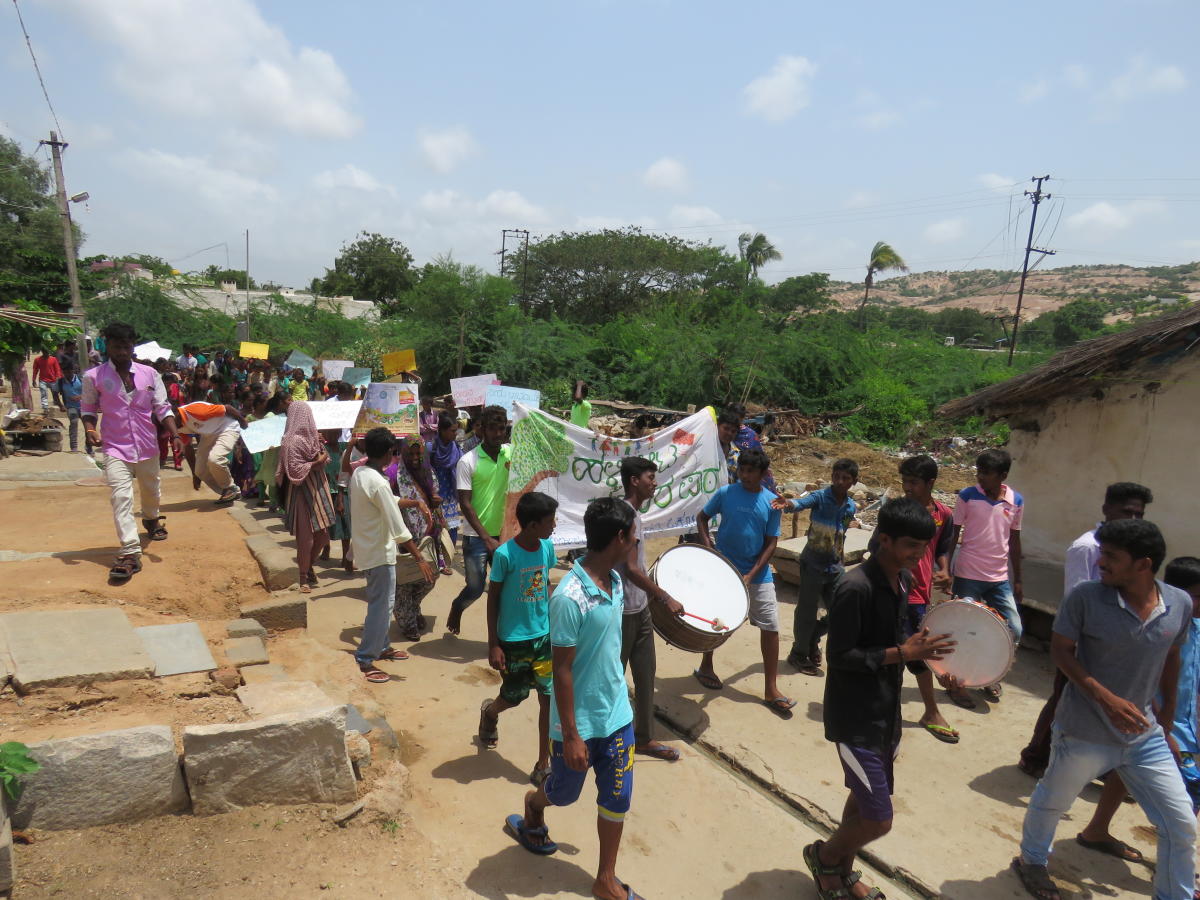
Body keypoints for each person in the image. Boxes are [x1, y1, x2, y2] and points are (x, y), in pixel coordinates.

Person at [1013, 519, 1196, 900]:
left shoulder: (1178, 603)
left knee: (1180, 824)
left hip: (1144, 736)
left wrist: (1165, 725)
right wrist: (1103, 696)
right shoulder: (1085, 598)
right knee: (1053, 803)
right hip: (1083, 730)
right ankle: (1032, 861)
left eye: (1111, 556)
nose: (1100, 562)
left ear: (1143, 565)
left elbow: (1172, 657)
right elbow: (1061, 651)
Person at [805, 497, 955, 900]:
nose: (919, 554)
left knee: (861, 798)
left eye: (925, 546)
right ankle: (824, 857)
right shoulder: (854, 587)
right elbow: (839, 656)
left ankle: (843, 874)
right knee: (878, 819)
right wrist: (904, 653)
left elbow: (900, 641)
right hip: (855, 720)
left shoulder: (902, 581)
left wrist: (935, 663)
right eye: (911, 546)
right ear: (884, 540)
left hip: (885, 713)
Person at [503, 498, 641, 900]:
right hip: (576, 726)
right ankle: (534, 804)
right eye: (632, 534)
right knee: (564, 794)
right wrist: (573, 735)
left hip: (616, 716)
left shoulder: (615, 583)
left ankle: (606, 878)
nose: (635, 540)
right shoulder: (569, 596)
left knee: (618, 796)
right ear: (619, 537)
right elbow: (561, 670)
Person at [1016, 482, 1155, 865]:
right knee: (1064, 700)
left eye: (1138, 515)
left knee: (1096, 708)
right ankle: (1034, 756)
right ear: (1107, 508)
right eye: (1126, 511)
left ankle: (1094, 765)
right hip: (1083, 640)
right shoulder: (1087, 548)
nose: (1131, 518)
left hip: (1113, 643)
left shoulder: (1134, 552)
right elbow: (1081, 596)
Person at [694, 448, 795, 716]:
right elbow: (702, 518)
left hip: (759, 575)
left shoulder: (772, 502)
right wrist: (709, 548)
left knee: (771, 627)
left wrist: (751, 574)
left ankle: (771, 688)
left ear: (763, 474)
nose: (745, 475)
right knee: (718, 622)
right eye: (743, 469)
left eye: (751, 471)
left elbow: (771, 542)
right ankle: (706, 665)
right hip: (725, 570)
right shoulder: (726, 493)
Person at [81, 321, 182, 582]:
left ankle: (150, 519)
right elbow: (88, 409)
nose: (122, 351)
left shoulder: (150, 374)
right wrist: (90, 430)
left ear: (132, 346)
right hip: (114, 446)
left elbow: (162, 407)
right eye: (117, 346)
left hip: (147, 445)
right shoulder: (94, 377)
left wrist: (175, 434)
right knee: (120, 496)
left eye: (126, 346)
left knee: (152, 489)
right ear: (108, 347)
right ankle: (129, 551)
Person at [869, 455, 959, 744]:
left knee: (917, 652)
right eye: (904, 481)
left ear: (930, 483)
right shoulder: (898, 514)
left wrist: (944, 571)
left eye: (913, 482)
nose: (907, 487)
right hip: (892, 590)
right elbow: (875, 547)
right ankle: (889, 708)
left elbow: (944, 548)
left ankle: (930, 711)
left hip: (920, 595)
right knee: (889, 651)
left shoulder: (943, 515)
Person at [479, 492, 560, 785]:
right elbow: (494, 598)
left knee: (548, 700)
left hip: (543, 638)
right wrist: (494, 644)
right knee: (514, 697)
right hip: (514, 640)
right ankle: (490, 711)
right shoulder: (504, 555)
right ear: (533, 525)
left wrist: (555, 620)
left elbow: (545, 585)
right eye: (550, 521)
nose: (555, 525)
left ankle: (543, 763)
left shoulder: (547, 548)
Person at [350, 427, 435, 683]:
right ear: (389, 452)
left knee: (380, 601)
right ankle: (365, 658)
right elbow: (398, 527)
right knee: (381, 606)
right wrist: (419, 558)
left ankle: (383, 645)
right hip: (379, 552)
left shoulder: (362, 473)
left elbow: (387, 500)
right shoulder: (377, 480)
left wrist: (415, 502)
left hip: (369, 548)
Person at [617, 457, 684, 760]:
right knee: (615, 678)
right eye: (650, 477)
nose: (655, 482)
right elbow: (631, 569)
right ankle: (607, 738)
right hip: (622, 612)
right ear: (634, 481)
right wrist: (664, 596)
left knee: (646, 676)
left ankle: (643, 738)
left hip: (639, 608)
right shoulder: (627, 516)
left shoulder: (635, 515)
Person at [949, 448, 1024, 702]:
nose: (980, 477)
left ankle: (991, 677)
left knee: (1013, 628)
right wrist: (946, 568)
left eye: (987, 473)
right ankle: (958, 680)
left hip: (998, 579)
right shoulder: (968, 496)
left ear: (1002, 475)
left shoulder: (1016, 501)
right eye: (979, 471)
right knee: (964, 631)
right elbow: (953, 533)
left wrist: (1019, 579)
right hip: (968, 574)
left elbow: (1014, 540)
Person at [775, 458, 859, 677]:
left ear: (853, 482)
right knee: (806, 611)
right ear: (831, 477)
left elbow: (841, 536)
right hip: (812, 563)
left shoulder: (850, 506)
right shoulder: (821, 496)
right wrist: (788, 503)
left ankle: (813, 637)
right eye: (836, 477)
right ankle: (799, 653)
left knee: (842, 611)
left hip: (835, 567)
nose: (840, 481)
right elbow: (800, 504)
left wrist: (840, 561)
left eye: (845, 478)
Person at [446, 405, 511, 635]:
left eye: (501, 429)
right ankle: (457, 606)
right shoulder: (468, 461)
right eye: (492, 429)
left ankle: (503, 637)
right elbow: (465, 503)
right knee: (475, 587)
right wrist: (486, 538)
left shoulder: (511, 455)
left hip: (505, 537)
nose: (497, 434)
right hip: (476, 537)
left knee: (507, 589)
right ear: (482, 429)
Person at [276, 401, 335, 593]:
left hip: (317, 489)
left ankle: (308, 565)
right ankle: (303, 578)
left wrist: (321, 451)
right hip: (301, 491)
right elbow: (294, 470)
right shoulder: (290, 441)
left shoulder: (312, 437)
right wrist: (318, 461)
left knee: (324, 535)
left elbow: (326, 458)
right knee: (306, 537)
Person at [387, 437, 442, 641]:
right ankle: (407, 622)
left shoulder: (429, 471)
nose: (416, 457)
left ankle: (413, 608)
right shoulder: (393, 474)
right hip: (401, 534)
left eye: (419, 453)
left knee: (428, 577)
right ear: (403, 453)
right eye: (411, 453)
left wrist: (436, 502)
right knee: (403, 581)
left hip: (426, 535)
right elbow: (388, 502)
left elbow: (434, 495)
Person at [1161, 557, 1200, 816]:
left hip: (1188, 732)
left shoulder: (1197, 628)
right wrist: (1166, 731)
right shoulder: (1163, 631)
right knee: (1187, 800)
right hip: (1163, 729)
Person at [176, 400, 247, 505]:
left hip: (228, 427)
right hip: (209, 435)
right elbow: (188, 448)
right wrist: (195, 476)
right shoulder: (175, 428)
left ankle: (230, 487)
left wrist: (243, 421)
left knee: (215, 459)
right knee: (200, 470)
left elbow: (227, 407)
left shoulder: (193, 410)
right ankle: (226, 491)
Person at [428, 413, 463, 553]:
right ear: (442, 430)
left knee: (452, 528)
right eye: (452, 431)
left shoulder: (455, 447)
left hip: (451, 495)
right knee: (437, 528)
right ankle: (439, 560)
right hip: (435, 496)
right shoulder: (431, 448)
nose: (455, 434)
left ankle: (448, 557)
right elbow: (425, 472)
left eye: (456, 430)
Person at [57, 360, 86, 454]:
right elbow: (55, 394)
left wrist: (80, 396)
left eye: (69, 372)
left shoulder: (81, 379)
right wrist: (61, 405)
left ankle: (89, 446)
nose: (67, 374)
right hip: (70, 407)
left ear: (73, 371)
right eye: (65, 372)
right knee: (73, 423)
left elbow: (90, 391)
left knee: (87, 426)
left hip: (84, 407)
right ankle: (74, 447)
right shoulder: (61, 382)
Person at [32, 347, 63, 412]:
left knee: (55, 394)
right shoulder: (37, 360)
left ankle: (58, 405)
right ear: (42, 352)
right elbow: (35, 370)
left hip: (53, 380)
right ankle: (45, 407)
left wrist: (58, 377)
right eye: (45, 352)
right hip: (43, 380)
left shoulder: (53, 359)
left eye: (47, 352)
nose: (46, 353)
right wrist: (33, 379)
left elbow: (57, 369)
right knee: (44, 394)